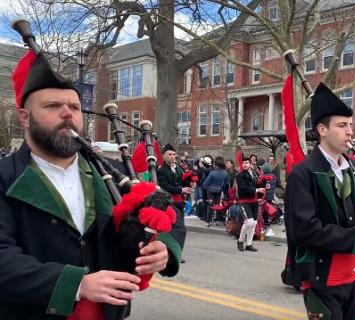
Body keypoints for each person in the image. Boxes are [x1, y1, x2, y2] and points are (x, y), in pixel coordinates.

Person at [0, 48, 183, 319]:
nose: (67, 114)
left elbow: (170, 212)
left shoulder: (114, 172)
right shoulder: (6, 176)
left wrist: (165, 247)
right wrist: (76, 284)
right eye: (52, 106)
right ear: (25, 117)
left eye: (74, 107)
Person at [284, 83, 355, 320]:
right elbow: (303, 230)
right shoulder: (303, 173)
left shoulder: (351, 170)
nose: (349, 131)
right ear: (322, 130)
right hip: (322, 277)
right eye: (342, 125)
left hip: (353, 275)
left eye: (350, 125)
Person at [236, 153, 264, 252]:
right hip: (245, 201)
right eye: (243, 163)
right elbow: (243, 188)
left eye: (246, 163)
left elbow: (258, 184)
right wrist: (256, 190)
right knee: (249, 222)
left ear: (250, 164)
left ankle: (249, 244)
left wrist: (263, 190)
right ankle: (240, 241)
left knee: (254, 223)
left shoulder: (254, 173)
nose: (244, 164)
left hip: (254, 201)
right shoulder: (240, 175)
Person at [202, 156, 230, 224]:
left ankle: (208, 220)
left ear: (216, 164)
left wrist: (207, 187)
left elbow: (205, 183)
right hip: (219, 190)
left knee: (210, 205)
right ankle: (217, 219)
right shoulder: (225, 173)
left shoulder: (212, 173)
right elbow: (226, 183)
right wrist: (221, 189)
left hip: (210, 191)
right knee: (217, 205)